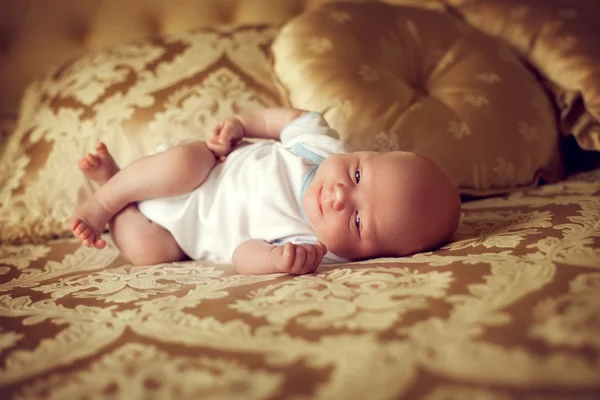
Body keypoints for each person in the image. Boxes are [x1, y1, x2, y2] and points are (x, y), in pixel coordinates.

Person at [71, 107, 461, 275]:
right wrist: (243, 123)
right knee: (188, 162)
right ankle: (105, 200)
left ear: (367, 255)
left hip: (178, 236)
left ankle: (113, 183)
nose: (341, 196)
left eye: (358, 221)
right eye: (358, 175)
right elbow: (291, 119)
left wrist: (276, 261)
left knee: (147, 254)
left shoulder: (314, 247)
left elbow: (242, 254)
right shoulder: (319, 148)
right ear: (362, 154)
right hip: (201, 172)